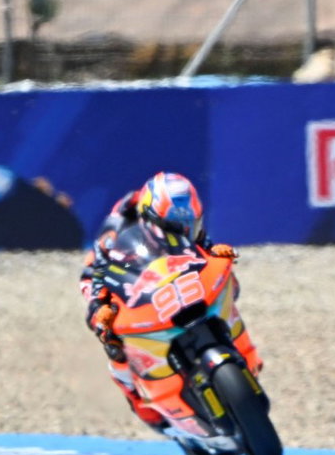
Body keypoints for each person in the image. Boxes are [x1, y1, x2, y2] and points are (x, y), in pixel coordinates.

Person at [80, 172, 238, 431]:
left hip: (172, 273)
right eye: (177, 227)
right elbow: (97, 271)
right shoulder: (117, 229)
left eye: (190, 224)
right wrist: (100, 305)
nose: (185, 231)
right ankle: (140, 401)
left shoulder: (184, 218)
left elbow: (202, 247)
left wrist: (214, 255)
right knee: (112, 340)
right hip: (119, 274)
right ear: (153, 219)